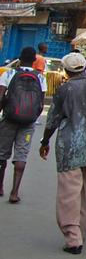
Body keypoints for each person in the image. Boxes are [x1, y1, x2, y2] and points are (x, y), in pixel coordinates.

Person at [38, 52, 86, 255]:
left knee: (69, 193)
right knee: (85, 191)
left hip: (70, 147)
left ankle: (73, 238)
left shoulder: (64, 90)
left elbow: (52, 120)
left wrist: (45, 141)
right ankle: (81, 230)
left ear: (66, 70)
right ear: (83, 68)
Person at [0, 47, 47, 203]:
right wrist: (32, 116)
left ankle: (0, 187)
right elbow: (40, 103)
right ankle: (14, 192)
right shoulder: (40, 78)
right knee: (21, 154)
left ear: (19, 59)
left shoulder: (9, 74)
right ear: (34, 60)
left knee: (2, 154)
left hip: (9, 119)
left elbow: (1, 97)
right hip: (28, 123)